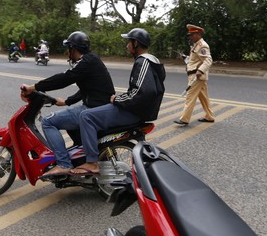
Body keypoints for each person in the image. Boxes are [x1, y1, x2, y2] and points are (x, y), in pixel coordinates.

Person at [21, 31, 115, 177]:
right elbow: (88, 88)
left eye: (68, 48)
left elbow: (64, 79)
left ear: (73, 48)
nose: (67, 52)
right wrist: (67, 101)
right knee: (67, 118)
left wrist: (33, 87)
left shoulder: (85, 62)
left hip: (93, 110)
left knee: (48, 121)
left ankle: (64, 164)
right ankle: (79, 158)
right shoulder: (92, 60)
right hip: (100, 108)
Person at [77, 28, 166, 175]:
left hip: (134, 112)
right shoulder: (152, 61)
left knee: (86, 116)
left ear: (135, 43)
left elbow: (143, 91)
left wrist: (118, 99)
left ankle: (91, 162)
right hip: (140, 112)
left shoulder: (143, 61)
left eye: (128, 42)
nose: (127, 46)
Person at [174, 24, 215, 125]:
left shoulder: (202, 45)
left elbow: (208, 60)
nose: (190, 37)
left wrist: (200, 71)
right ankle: (209, 116)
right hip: (197, 76)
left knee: (190, 97)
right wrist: (186, 58)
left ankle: (184, 119)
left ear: (198, 34)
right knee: (204, 98)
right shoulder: (197, 45)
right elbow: (195, 60)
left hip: (197, 76)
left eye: (192, 35)